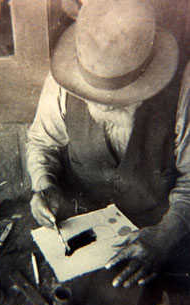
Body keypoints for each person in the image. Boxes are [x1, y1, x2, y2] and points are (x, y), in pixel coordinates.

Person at [26, 0, 190, 289]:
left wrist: (164, 236)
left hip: (155, 234)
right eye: (89, 97)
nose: (97, 110)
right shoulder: (64, 78)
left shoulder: (183, 87)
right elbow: (42, 143)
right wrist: (44, 183)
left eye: (115, 103)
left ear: (148, 81)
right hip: (81, 230)